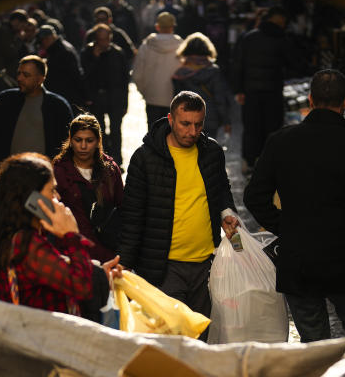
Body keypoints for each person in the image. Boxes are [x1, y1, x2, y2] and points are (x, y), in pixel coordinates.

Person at [243, 69, 345, 377]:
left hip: (298, 257)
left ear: (311, 101)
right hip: (342, 256)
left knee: (314, 340)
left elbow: (255, 197)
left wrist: (287, 227)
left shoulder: (282, 141)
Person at [119, 91, 238, 331]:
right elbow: (132, 215)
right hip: (164, 267)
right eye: (185, 124)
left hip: (206, 265)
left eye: (198, 124)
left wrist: (227, 211)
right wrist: (125, 264)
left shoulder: (211, 152)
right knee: (172, 336)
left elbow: (221, 189)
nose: (192, 132)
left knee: (203, 333)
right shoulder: (145, 159)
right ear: (170, 119)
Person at [0, 152, 121, 315]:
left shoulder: (20, 236)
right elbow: (82, 286)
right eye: (52, 190)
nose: (58, 196)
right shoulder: (28, 244)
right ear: (32, 199)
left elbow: (60, 272)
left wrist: (99, 272)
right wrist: (71, 234)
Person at [0, 54, 73, 169]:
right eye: (19, 73)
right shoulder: (7, 99)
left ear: (40, 79)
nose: (19, 78)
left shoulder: (57, 106)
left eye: (26, 75)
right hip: (8, 173)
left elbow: (68, 144)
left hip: (43, 175)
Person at [231, 5, 299, 174]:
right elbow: (294, 64)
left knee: (251, 127)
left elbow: (238, 65)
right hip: (273, 91)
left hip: (250, 91)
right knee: (272, 127)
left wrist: (238, 90)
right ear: (280, 20)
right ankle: (270, 162)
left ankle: (249, 161)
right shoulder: (282, 39)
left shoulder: (248, 37)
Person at [52, 114, 124, 262]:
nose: (83, 146)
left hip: (107, 253)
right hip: (72, 253)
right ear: (71, 140)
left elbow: (122, 207)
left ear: (98, 141)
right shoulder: (58, 171)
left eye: (89, 140)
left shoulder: (110, 170)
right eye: (78, 140)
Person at [80, 24, 130, 164]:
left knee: (115, 131)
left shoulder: (118, 53)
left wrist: (125, 103)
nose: (104, 42)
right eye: (101, 39)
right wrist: (95, 58)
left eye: (106, 39)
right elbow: (84, 76)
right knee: (98, 130)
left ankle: (117, 160)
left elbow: (124, 79)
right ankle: (101, 158)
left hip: (115, 99)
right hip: (96, 99)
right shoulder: (87, 53)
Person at [172, 32, 232, 140]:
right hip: (210, 118)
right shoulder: (214, 71)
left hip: (187, 121)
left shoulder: (180, 73)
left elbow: (176, 102)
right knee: (207, 153)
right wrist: (226, 121)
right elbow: (220, 99)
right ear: (207, 50)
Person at [132, 11, 183, 125]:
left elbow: (137, 74)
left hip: (152, 97)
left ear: (157, 26)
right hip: (174, 99)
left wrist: (145, 92)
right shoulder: (181, 46)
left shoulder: (146, 46)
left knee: (154, 135)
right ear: (173, 27)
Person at [36, 25, 84, 110]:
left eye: (44, 39)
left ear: (51, 37)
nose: (43, 43)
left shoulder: (63, 51)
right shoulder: (56, 49)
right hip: (62, 95)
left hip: (66, 96)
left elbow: (75, 74)